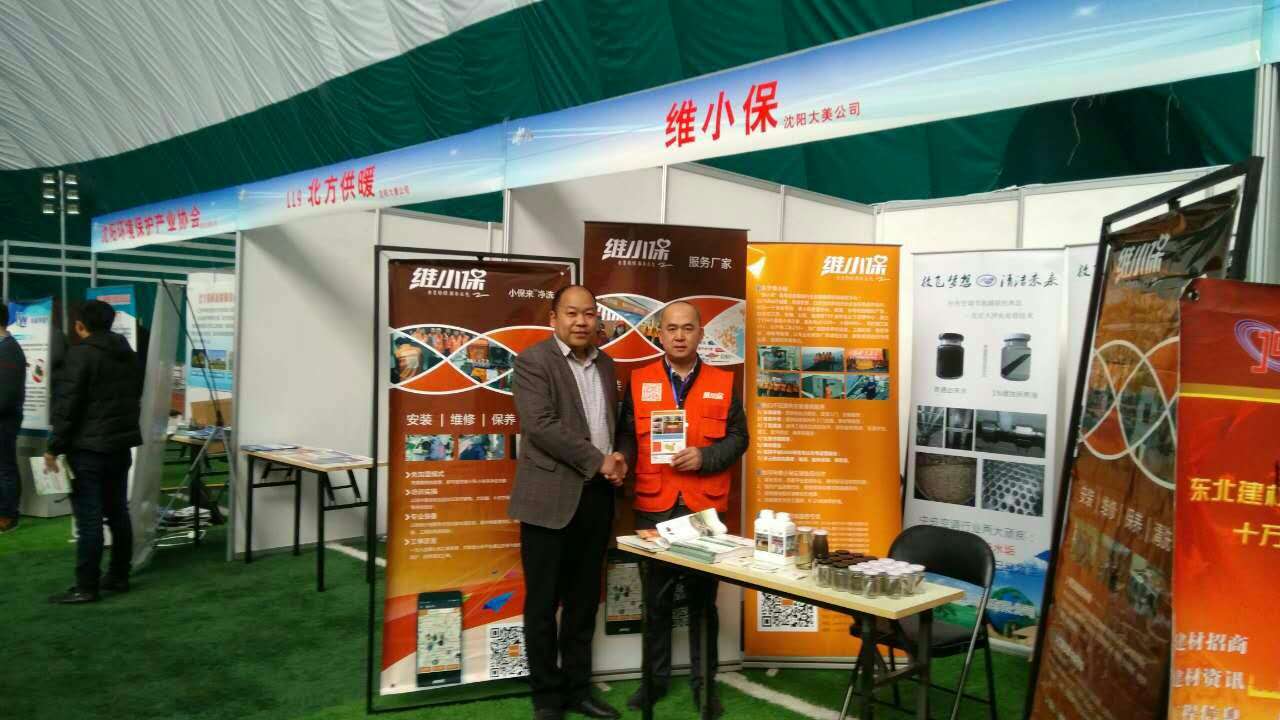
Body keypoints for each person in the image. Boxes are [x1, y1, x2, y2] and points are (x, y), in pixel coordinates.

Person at [616, 301, 749, 718]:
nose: (679, 335)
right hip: (654, 507)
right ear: (659, 334)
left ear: (700, 334)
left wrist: (705, 457)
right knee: (655, 604)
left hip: (703, 512)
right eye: (671, 328)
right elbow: (626, 437)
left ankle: (704, 684)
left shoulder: (723, 382)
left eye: (687, 328)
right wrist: (619, 462)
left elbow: (739, 439)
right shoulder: (639, 380)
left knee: (702, 604)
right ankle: (653, 683)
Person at [509, 285, 627, 720]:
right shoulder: (533, 361)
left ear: (597, 319)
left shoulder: (606, 364)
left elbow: (615, 426)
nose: (581, 321)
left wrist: (620, 459)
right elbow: (541, 426)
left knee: (582, 603)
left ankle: (579, 690)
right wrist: (599, 460)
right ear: (554, 318)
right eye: (572, 313)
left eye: (589, 314)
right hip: (548, 500)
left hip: (597, 499)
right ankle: (547, 698)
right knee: (542, 604)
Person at [45, 300, 143, 604]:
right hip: (119, 445)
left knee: (89, 519)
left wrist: (54, 447)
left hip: (87, 449)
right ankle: (118, 576)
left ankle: (86, 586)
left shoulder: (80, 355)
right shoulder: (127, 354)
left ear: (79, 326)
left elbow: (68, 406)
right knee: (118, 512)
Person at [0, 301, 26, 533]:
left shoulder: (9, 349)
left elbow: (5, 395)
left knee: (5, 467)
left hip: (4, 420)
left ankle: (8, 515)